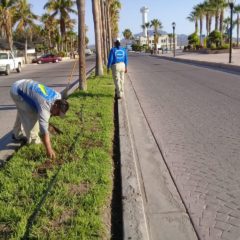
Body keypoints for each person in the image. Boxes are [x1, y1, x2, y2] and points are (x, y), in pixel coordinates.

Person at [10, 79, 69, 159]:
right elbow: (44, 132)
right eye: (58, 113)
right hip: (17, 91)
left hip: (24, 83)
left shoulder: (57, 96)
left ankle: (16, 134)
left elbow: (61, 97)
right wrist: (49, 149)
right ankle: (34, 142)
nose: (57, 115)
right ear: (55, 106)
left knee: (23, 110)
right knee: (31, 114)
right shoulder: (44, 108)